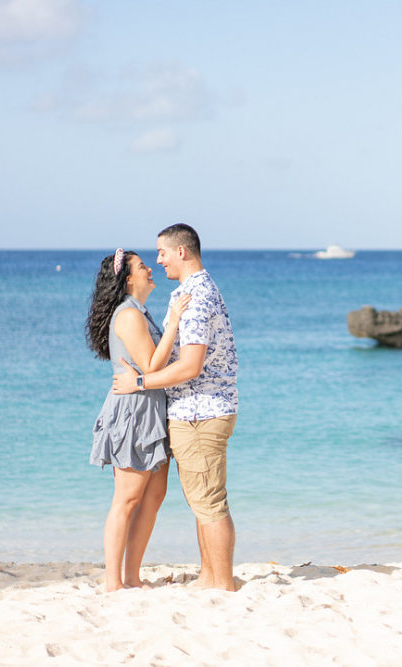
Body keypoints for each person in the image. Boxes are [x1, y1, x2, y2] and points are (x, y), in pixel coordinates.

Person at [113, 224, 240, 591]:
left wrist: (139, 383)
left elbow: (190, 366)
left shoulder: (197, 296)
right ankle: (209, 576)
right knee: (202, 500)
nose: (158, 260)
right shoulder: (190, 292)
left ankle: (223, 583)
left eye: (162, 253)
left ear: (181, 252)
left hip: (201, 412)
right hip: (194, 411)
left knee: (209, 502)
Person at [86, 248, 190, 592]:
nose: (150, 269)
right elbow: (151, 367)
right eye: (143, 266)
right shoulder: (128, 315)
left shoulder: (140, 313)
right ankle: (113, 581)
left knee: (154, 495)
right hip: (132, 412)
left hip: (151, 410)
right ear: (128, 278)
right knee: (127, 499)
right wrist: (174, 321)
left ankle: (132, 576)